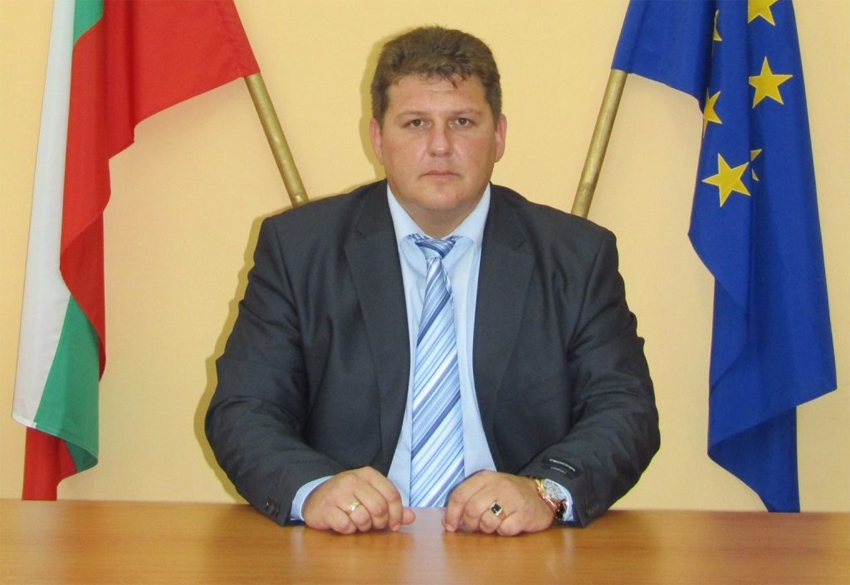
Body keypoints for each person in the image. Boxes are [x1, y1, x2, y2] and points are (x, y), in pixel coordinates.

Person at [206, 26, 659, 536]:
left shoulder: (575, 255)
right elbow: (244, 409)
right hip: (350, 546)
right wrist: (314, 489)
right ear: (378, 138)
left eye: (462, 122)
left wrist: (545, 492)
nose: (440, 146)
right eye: (416, 123)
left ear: (499, 135)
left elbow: (626, 410)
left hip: (518, 547)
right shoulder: (299, 250)